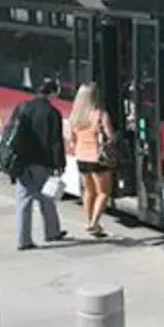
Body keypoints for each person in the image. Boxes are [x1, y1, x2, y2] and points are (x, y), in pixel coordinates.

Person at [15, 78, 69, 251]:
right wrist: (60, 163)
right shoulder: (52, 113)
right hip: (42, 162)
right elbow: (55, 142)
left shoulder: (24, 108)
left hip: (23, 162)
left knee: (24, 201)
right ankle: (52, 232)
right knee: (47, 198)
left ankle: (23, 239)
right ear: (52, 93)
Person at [68, 82, 116, 238]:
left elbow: (70, 139)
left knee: (88, 192)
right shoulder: (101, 114)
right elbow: (111, 137)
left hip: (81, 158)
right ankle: (94, 223)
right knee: (103, 192)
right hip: (98, 158)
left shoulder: (75, 116)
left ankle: (89, 221)